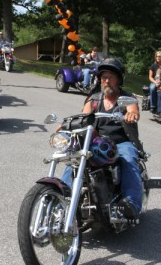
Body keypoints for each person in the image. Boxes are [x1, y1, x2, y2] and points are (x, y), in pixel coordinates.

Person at [60, 58, 143, 219]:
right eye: (103, 77)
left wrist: (131, 114)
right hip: (96, 141)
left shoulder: (127, 97)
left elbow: (133, 110)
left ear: (118, 79)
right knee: (75, 158)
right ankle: (64, 198)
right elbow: (83, 117)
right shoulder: (94, 99)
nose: (106, 81)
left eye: (110, 77)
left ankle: (132, 203)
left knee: (129, 159)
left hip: (121, 141)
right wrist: (66, 126)